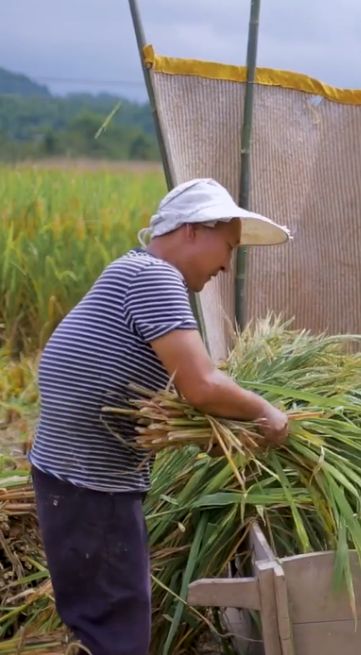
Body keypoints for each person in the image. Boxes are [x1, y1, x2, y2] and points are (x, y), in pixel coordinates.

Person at [27, 178, 294, 655]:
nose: (226, 265)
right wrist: (265, 411)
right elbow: (202, 386)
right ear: (193, 230)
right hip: (93, 485)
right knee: (117, 632)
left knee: (96, 621)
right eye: (227, 247)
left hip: (68, 475)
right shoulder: (155, 277)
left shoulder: (131, 271)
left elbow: (159, 397)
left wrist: (211, 432)